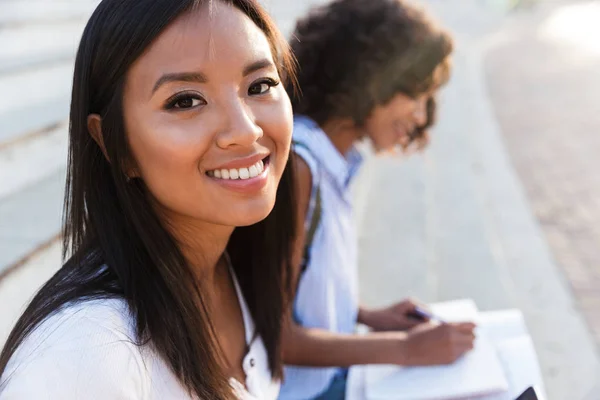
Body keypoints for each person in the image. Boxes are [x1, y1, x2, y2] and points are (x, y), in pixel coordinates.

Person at [0, 0, 297, 398]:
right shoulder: (84, 353)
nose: (244, 130)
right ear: (113, 145)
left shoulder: (232, 261)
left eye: (259, 85)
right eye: (185, 101)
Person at [279, 1, 476, 399]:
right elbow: (275, 336)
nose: (421, 117)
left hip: (336, 380)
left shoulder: (334, 162)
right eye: (415, 95)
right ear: (371, 77)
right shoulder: (299, 168)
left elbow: (302, 290)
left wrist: (366, 314)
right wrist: (407, 350)